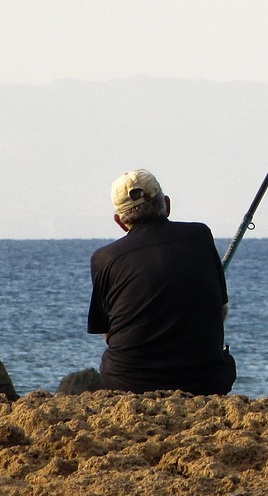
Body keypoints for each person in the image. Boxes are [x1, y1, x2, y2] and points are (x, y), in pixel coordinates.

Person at [87, 169, 236, 394]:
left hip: (129, 383)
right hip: (207, 382)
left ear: (119, 221)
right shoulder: (200, 236)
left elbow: (109, 334)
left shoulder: (104, 258)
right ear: (166, 204)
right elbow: (220, 311)